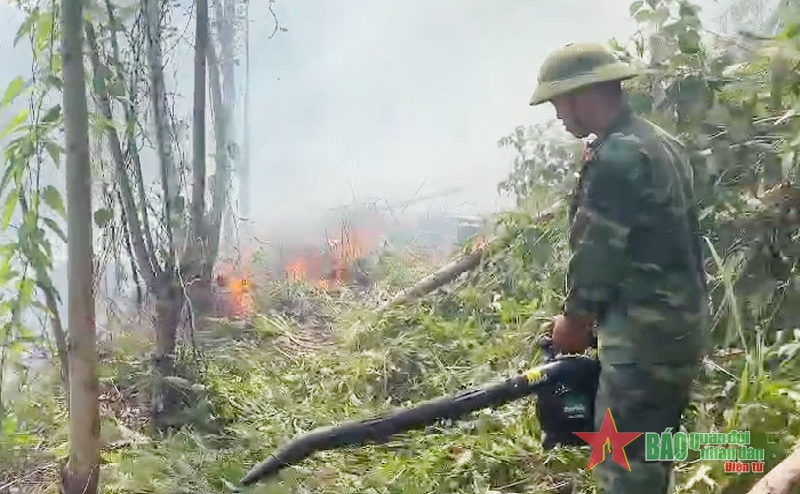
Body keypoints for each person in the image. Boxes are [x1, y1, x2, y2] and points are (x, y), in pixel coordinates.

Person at [528, 42, 709, 494]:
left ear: (581, 95)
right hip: (678, 329)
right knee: (652, 454)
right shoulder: (659, 142)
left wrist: (573, 322)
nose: (557, 116)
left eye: (557, 103)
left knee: (625, 463)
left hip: (642, 341)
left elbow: (599, 254)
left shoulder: (617, 157)